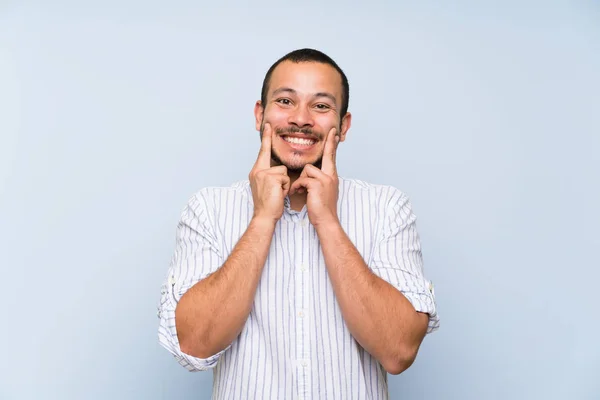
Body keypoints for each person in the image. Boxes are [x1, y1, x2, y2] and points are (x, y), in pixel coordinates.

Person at [157, 48, 439, 399]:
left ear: (344, 125)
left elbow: (398, 351)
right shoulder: (208, 209)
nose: (301, 119)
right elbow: (195, 344)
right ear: (260, 115)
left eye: (321, 106)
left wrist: (328, 222)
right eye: (285, 101)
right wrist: (262, 220)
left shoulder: (387, 208)